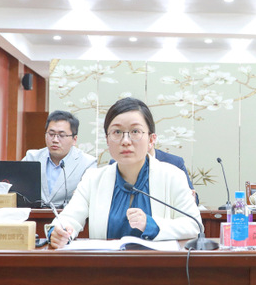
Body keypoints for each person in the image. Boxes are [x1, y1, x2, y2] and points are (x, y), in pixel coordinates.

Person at [49, 98, 202, 248]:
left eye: (135, 131)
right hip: (105, 263)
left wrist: (151, 225)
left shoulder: (173, 176)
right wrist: (58, 232)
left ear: (151, 139)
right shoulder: (93, 179)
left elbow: (194, 225)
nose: (125, 141)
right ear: (107, 140)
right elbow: (68, 218)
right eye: (117, 132)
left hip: (159, 264)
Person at [22, 110, 97, 208]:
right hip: (34, 214)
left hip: (68, 215)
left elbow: (89, 198)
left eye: (61, 135)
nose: (55, 140)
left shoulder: (87, 163)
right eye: (51, 134)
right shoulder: (32, 157)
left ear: (74, 139)